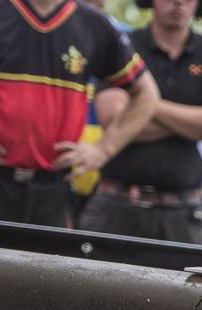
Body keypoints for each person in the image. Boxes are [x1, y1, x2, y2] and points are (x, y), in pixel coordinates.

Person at [0, 0, 158, 229]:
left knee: (43, 265)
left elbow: (147, 94)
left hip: (52, 190)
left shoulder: (95, 24)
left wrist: (103, 150)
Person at [79, 0, 202, 244]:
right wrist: (194, 122)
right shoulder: (122, 45)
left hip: (182, 218)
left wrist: (143, 103)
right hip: (115, 212)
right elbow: (112, 120)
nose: (178, 2)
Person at [68, 0, 130, 223]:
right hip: (54, 157)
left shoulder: (124, 35)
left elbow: (144, 96)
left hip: (106, 164)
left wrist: (105, 148)